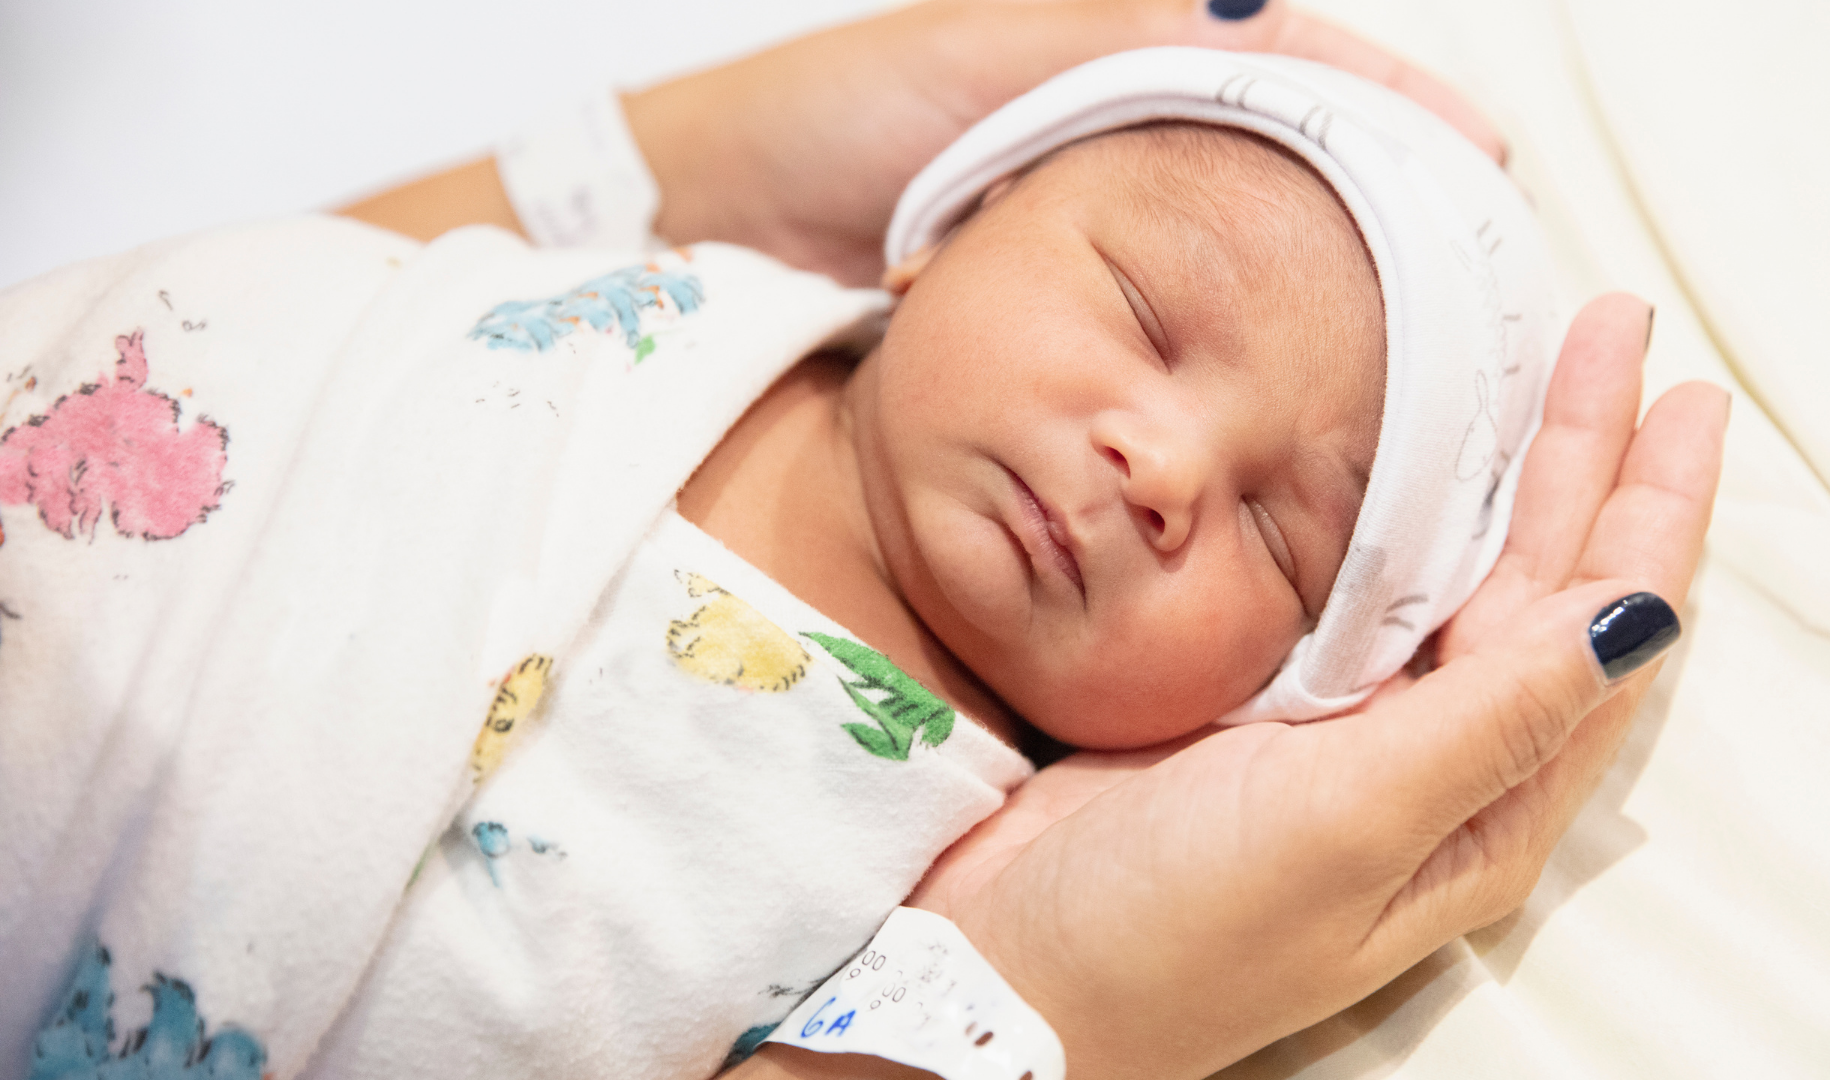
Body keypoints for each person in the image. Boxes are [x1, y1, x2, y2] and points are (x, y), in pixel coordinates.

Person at [1, 3, 1727, 1079]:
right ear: (946, 225)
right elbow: (275, 348)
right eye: (1143, 310)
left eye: (1285, 540)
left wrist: (1030, 995)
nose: (1161, 467)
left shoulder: (954, 892)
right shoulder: (673, 303)